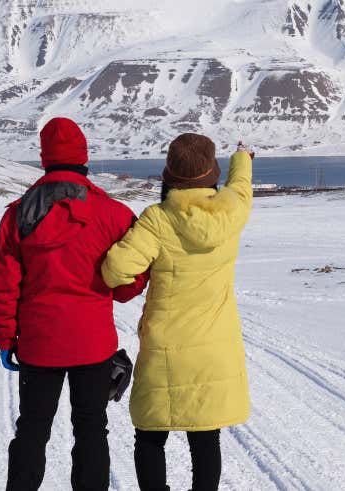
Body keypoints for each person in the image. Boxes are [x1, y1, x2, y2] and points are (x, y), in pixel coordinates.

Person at [0, 117, 147, 491]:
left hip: (39, 345)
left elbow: (2, 285)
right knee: (91, 428)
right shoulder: (114, 214)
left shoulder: (18, 214)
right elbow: (128, 283)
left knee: (32, 428)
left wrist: (6, 338)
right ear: (83, 156)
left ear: (45, 158)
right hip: (93, 345)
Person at [100, 134, 254, 491]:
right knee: (205, 437)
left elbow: (115, 270)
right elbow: (241, 186)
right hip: (215, 349)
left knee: (151, 435)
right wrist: (243, 157)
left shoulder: (158, 219)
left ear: (169, 175)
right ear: (211, 173)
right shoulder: (233, 209)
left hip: (166, 349)